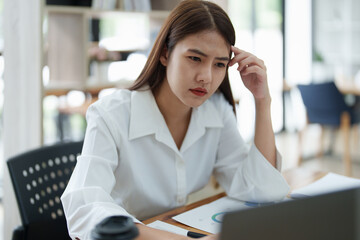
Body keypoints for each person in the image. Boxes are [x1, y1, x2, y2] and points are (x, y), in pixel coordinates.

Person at [61, 0, 290, 239]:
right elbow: (83, 207)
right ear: (165, 54)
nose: (206, 77)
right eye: (195, 58)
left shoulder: (216, 111)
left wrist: (262, 101)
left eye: (219, 64)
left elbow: (262, 189)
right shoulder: (111, 114)